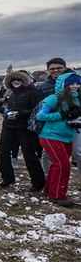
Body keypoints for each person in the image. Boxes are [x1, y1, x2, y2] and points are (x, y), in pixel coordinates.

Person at [36, 72, 81, 206]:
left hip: (68, 136)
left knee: (59, 164)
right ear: (64, 85)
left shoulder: (78, 98)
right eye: (71, 84)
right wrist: (62, 115)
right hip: (50, 136)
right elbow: (40, 116)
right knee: (63, 164)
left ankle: (49, 189)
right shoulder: (54, 98)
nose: (75, 86)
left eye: (77, 83)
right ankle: (57, 196)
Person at [0, 71, 45, 190]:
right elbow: (10, 109)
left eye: (19, 80)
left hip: (26, 129)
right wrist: (1, 110)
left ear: (25, 81)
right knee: (2, 153)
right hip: (8, 126)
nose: (16, 82)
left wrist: (19, 114)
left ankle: (38, 183)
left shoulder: (34, 92)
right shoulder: (12, 93)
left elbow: (37, 110)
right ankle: (8, 179)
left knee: (29, 155)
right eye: (13, 80)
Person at [37, 58, 78, 176]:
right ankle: (49, 179)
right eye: (52, 69)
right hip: (52, 127)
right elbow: (41, 108)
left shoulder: (75, 81)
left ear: (64, 67)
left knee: (78, 153)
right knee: (47, 154)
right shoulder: (45, 86)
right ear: (48, 70)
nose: (55, 70)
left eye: (59, 68)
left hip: (74, 125)